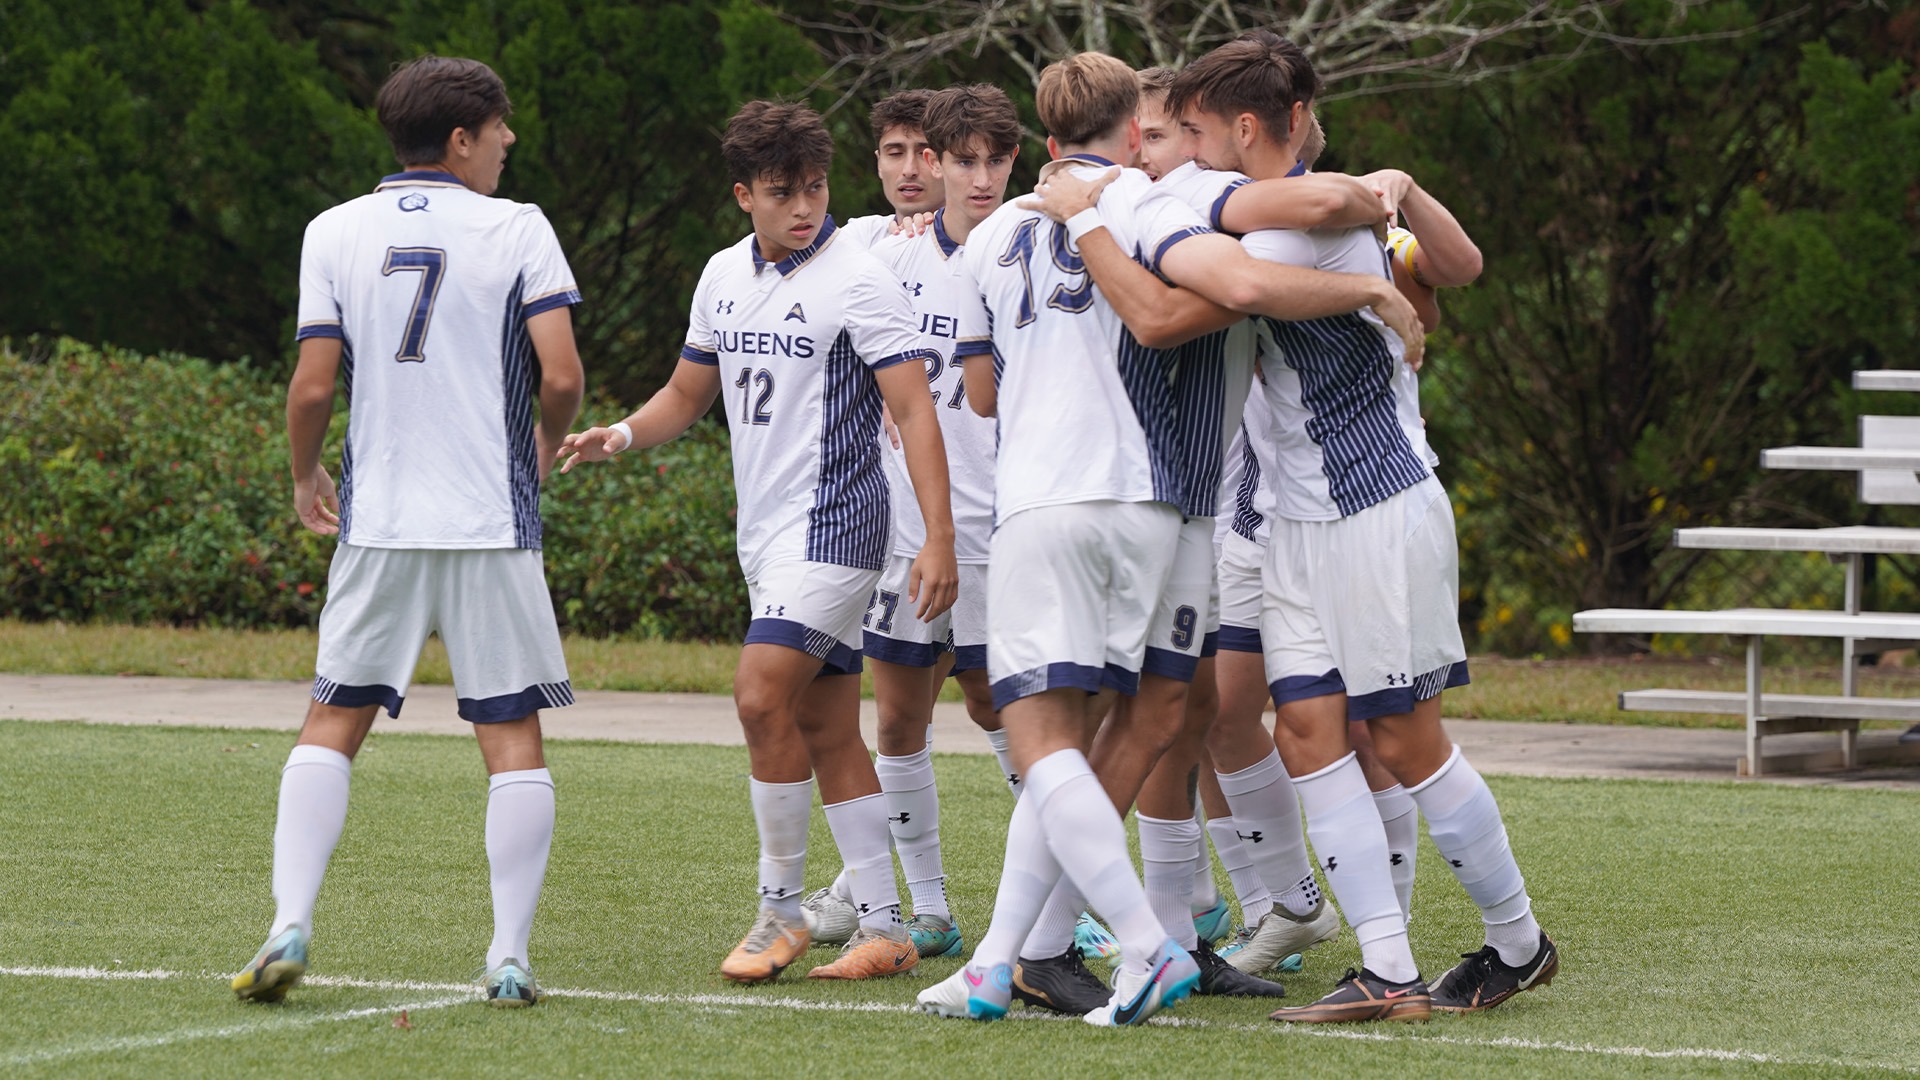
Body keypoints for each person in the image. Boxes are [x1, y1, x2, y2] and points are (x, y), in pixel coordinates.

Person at [916, 50, 1423, 1028]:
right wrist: (1373, 256)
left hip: (1065, 501)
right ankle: (1004, 958)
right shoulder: (1153, 205)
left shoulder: (1036, 227)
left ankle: (1144, 944)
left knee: (1046, 739)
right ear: (1132, 131)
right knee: (1148, 724)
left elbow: (988, 389)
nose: (1172, 151)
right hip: (1169, 504)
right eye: (1158, 132)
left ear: (1050, 141)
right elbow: (1242, 281)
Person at [1175, 31, 1557, 1021]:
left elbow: (1439, 262)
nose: (1184, 147)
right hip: (1293, 525)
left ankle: (1518, 944)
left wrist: (1392, 201)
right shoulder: (1285, 211)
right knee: (1306, 730)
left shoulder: (1300, 227)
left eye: (1195, 130)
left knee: (1402, 736)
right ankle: (1387, 971)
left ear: (1249, 128)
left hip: (1375, 511)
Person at [556, 100, 958, 984]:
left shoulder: (857, 276)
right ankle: (886, 926)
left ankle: (779, 912)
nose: (805, 206)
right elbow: (686, 395)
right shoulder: (720, 276)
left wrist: (938, 537)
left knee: (756, 695)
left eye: (815, 187)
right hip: (764, 537)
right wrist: (617, 434)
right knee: (823, 724)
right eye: (783, 192)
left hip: (839, 528)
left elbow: (913, 408)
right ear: (745, 195)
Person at [231, 55, 584, 1009]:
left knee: (332, 720)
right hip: (488, 524)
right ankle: (508, 956)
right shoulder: (519, 228)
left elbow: (311, 386)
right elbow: (560, 375)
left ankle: (288, 923)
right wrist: (544, 450)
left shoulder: (333, 229)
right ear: (461, 138)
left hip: (379, 521)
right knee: (511, 734)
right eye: (500, 127)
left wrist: (308, 477)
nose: (511, 142)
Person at [854, 82, 1024, 959]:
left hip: (1009, 526)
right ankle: (929, 906)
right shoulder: (885, 257)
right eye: (962, 158)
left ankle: (1058, 905)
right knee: (896, 719)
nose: (977, 175)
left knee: (1009, 709)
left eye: (996, 158)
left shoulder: (1036, 246)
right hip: (908, 529)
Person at [839, 90, 948, 249]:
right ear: (879, 164)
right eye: (895, 154)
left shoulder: (983, 239)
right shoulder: (858, 238)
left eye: (924, 154)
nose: (909, 170)